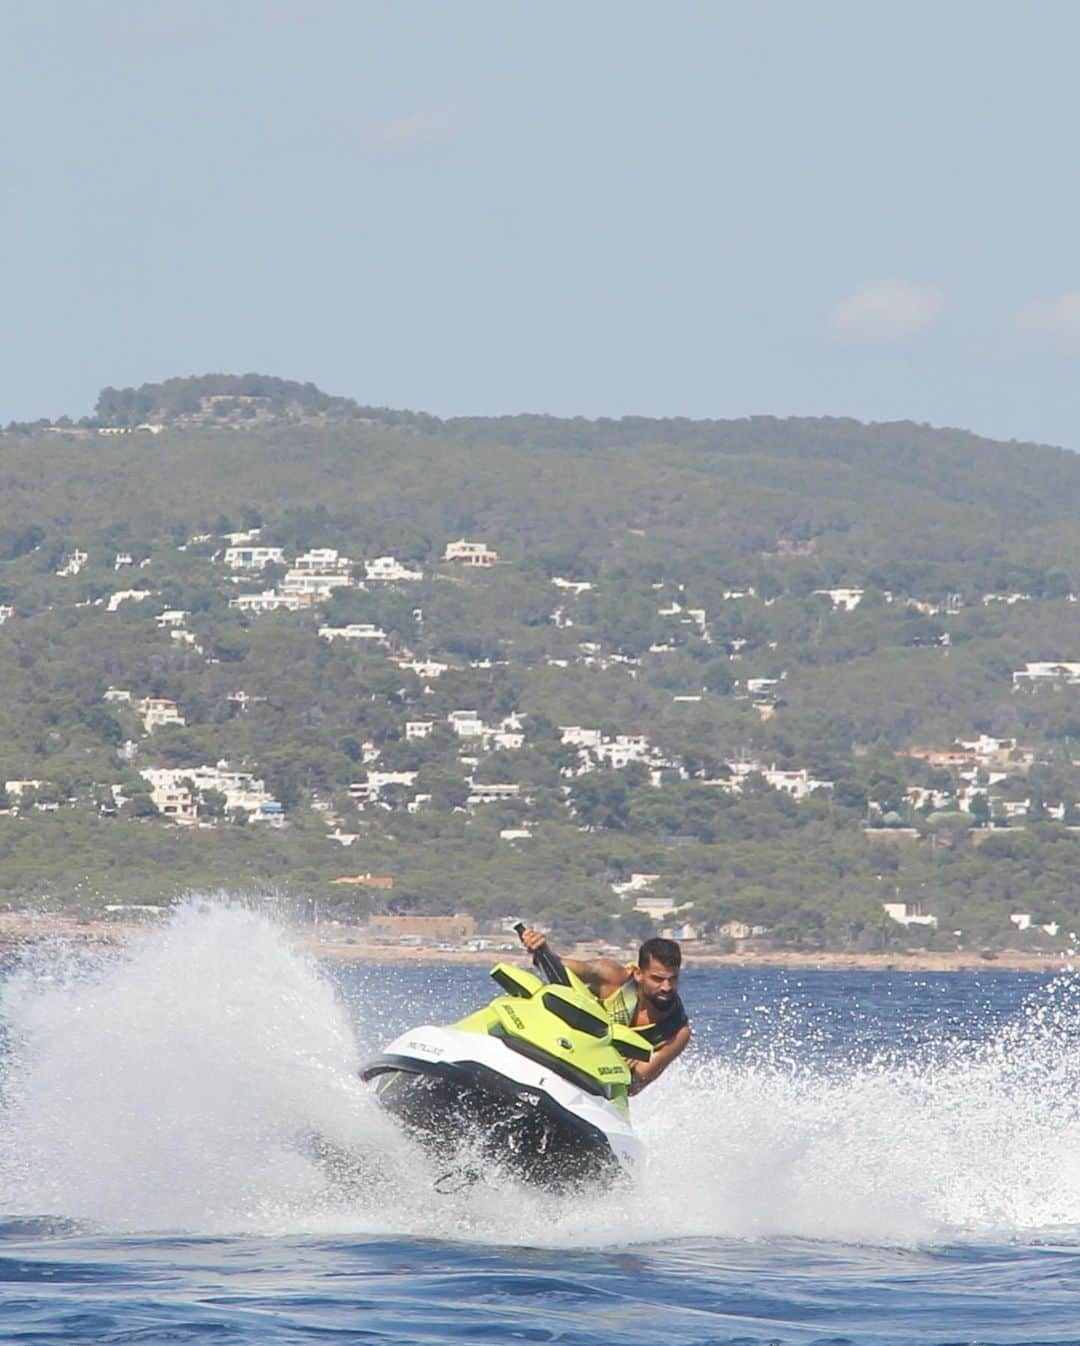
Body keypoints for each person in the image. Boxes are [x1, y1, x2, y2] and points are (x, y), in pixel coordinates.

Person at [517, 927, 691, 1093]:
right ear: (638, 973)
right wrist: (540, 948)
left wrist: (620, 1065)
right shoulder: (612, 977)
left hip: (592, 1084)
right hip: (560, 1045)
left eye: (673, 979)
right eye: (657, 979)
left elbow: (634, 1086)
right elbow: (562, 966)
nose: (666, 987)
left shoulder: (675, 1032)